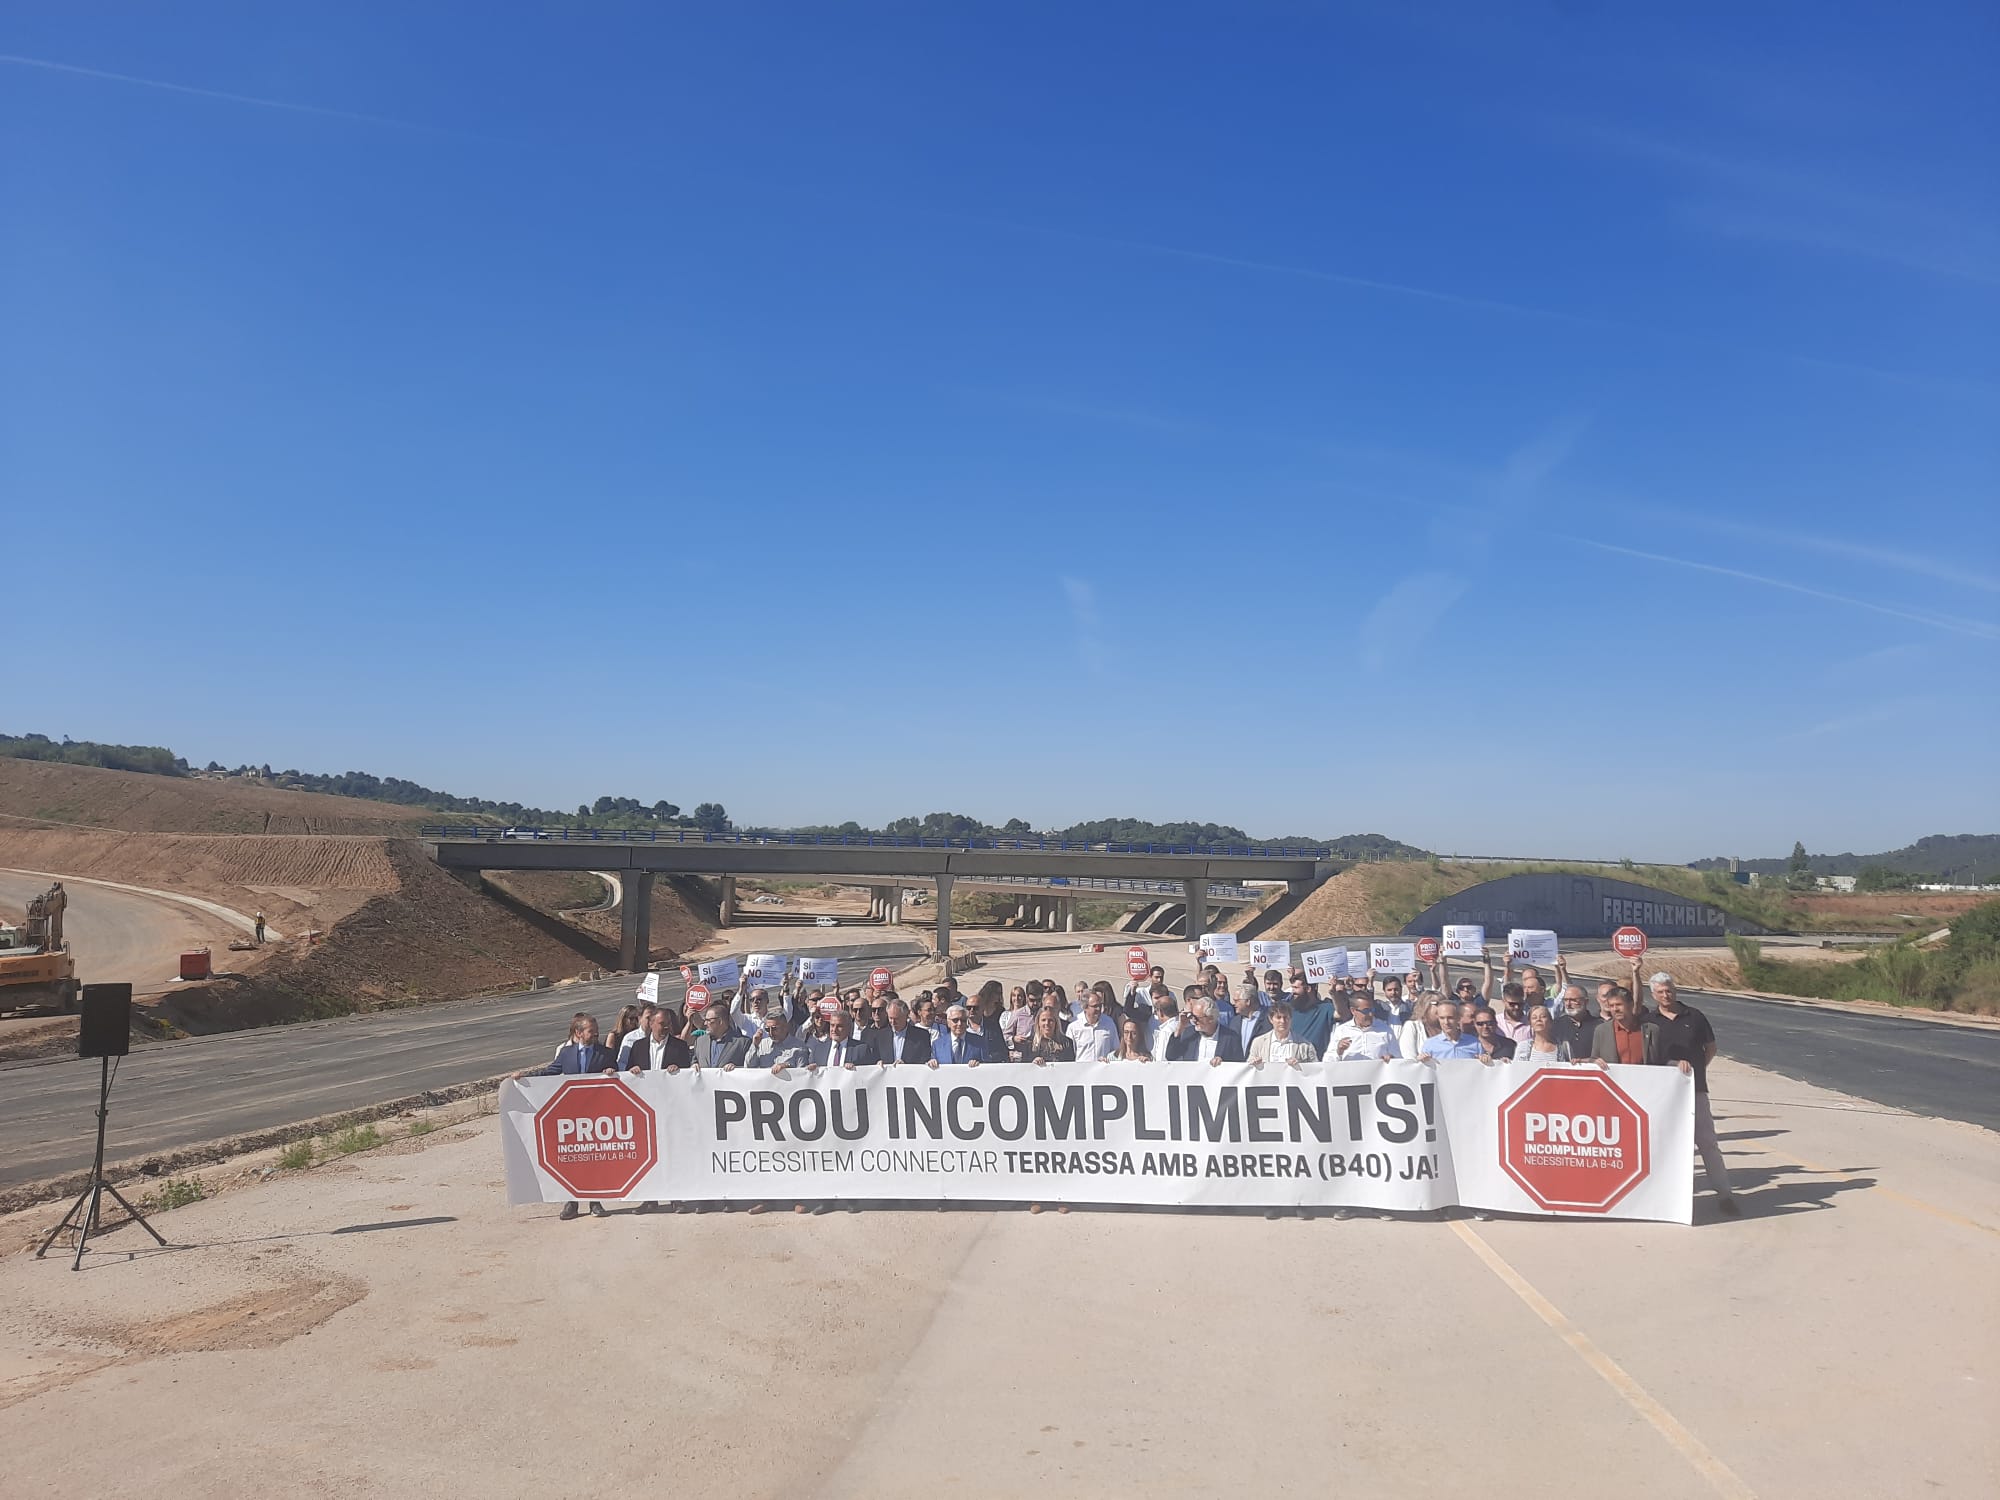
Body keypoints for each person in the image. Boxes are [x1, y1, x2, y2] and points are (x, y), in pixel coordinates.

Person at [1638, 967, 1740, 1215]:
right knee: (1664, 1145)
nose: (1666, 995)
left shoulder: (1694, 1016)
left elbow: (1711, 1047)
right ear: (1653, 994)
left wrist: (1697, 1070)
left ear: (1676, 990)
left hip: (1695, 1090)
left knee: (1707, 1142)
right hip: (1664, 1095)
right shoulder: (1649, 1022)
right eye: (1661, 992)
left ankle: (1725, 1194)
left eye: (1669, 990)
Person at [515, 1015, 617, 1221]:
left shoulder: (605, 1054)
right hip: (571, 1116)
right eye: (590, 1030)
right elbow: (549, 1072)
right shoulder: (566, 1053)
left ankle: (595, 1201)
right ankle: (572, 1202)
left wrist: (612, 1072)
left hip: (596, 1116)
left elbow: (619, 1076)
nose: (596, 1033)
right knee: (572, 1159)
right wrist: (525, 1077)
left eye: (596, 1030)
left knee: (593, 1158)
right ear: (579, 1033)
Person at [1165, 997, 1244, 1063]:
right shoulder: (1190, 1034)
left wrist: (1223, 1063)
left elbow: (1238, 1065)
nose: (1193, 1020)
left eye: (1197, 1017)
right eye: (1192, 1016)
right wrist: (1180, 1028)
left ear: (1211, 1018)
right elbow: (1171, 1056)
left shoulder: (1230, 1037)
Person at [1330, 988, 1401, 1061]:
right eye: (1366, 1011)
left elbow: (1398, 1058)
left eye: (1372, 1010)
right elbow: (1328, 1061)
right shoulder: (1342, 1030)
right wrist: (1339, 1051)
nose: (1370, 1014)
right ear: (1353, 1011)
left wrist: (1391, 1058)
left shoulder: (1385, 1030)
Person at [863, 998, 934, 1065]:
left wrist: (906, 1066)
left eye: (897, 1019)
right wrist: (878, 1062)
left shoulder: (921, 1036)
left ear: (906, 1016)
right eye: (890, 1018)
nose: (893, 1022)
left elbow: (924, 1059)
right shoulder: (880, 1035)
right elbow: (874, 1058)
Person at [624, 1006, 692, 1073]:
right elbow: (628, 1071)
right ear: (651, 1024)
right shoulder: (638, 1046)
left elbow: (687, 1072)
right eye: (662, 1023)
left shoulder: (680, 1046)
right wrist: (633, 1070)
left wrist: (678, 1069)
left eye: (668, 1023)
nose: (666, 1026)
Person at [1248, 1001, 1318, 1066]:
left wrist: (1300, 1066)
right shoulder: (1259, 1043)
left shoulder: (1305, 1046)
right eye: (1278, 1017)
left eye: (1286, 1017)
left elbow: (1315, 1071)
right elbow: (1248, 1068)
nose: (1282, 1021)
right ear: (1270, 1019)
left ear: (1291, 1019)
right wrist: (1254, 1063)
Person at [743, 1006, 811, 1070]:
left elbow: (802, 1074)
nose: (770, 1033)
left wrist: (788, 1066)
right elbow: (748, 1067)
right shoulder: (762, 1044)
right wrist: (755, 1045)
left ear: (785, 1027)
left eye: (774, 1029)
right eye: (767, 1029)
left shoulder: (799, 1046)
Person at [1287, 973, 1338, 1056]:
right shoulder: (1289, 1010)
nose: (1292, 992)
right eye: (1292, 988)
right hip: (1292, 1062)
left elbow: (1341, 1014)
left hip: (1316, 1064)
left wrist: (1333, 993)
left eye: (1296, 988)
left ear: (1308, 988)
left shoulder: (1326, 1008)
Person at [810, 1009, 878, 1068]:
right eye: (832, 1025)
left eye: (839, 1026)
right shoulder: (818, 1049)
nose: (834, 1029)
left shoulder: (861, 1049)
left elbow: (870, 1073)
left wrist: (855, 1070)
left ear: (849, 1027)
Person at [1066, 988, 1120, 1062]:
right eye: (1095, 1006)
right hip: (1081, 1071)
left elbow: (1116, 1050)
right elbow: (1069, 1055)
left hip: (1104, 1071)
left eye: (1100, 1005)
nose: (1098, 1009)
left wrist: (1109, 1059)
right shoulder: (1073, 1027)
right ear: (1085, 1007)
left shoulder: (1109, 1023)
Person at [694, 1002, 752, 1068]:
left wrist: (737, 1068)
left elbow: (750, 1068)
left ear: (720, 1021)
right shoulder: (700, 1042)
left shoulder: (743, 1043)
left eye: (708, 1020)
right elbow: (694, 1061)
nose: (705, 1023)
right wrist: (694, 1066)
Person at [1552, 985, 1600, 1059]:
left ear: (1586, 1001)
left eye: (1573, 1000)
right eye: (1565, 1000)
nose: (1568, 1004)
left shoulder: (1599, 1026)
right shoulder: (1556, 1025)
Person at [1232, 982, 1272, 1056]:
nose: (1234, 1004)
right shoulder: (1234, 1022)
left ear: (1248, 1001)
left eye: (1237, 1001)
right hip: (1239, 1066)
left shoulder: (1269, 1019)